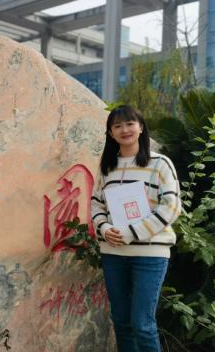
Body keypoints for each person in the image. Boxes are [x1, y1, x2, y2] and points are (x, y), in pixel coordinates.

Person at [91, 105, 181, 352]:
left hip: (150, 254)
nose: (125, 130)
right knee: (121, 321)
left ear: (141, 127)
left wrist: (131, 232)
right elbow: (96, 203)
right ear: (111, 133)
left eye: (130, 123)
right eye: (117, 126)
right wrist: (104, 228)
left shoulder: (160, 163)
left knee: (143, 324)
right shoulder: (107, 166)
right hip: (113, 253)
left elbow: (171, 207)